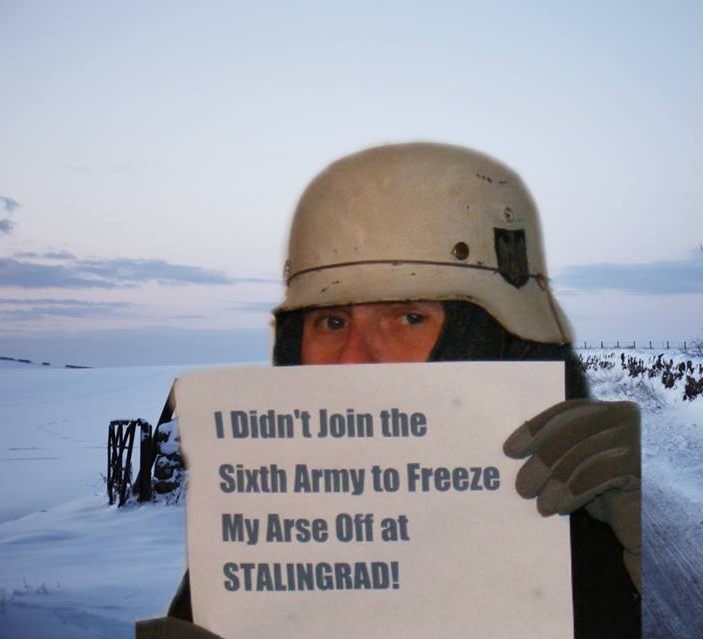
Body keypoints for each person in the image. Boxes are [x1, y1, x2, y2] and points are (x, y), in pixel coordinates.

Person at [137, 143, 640, 638]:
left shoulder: (586, 546)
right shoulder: (258, 548)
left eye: (408, 318)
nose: (352, 361)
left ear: (498, 341)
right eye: (332, 321)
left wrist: (640, 564)